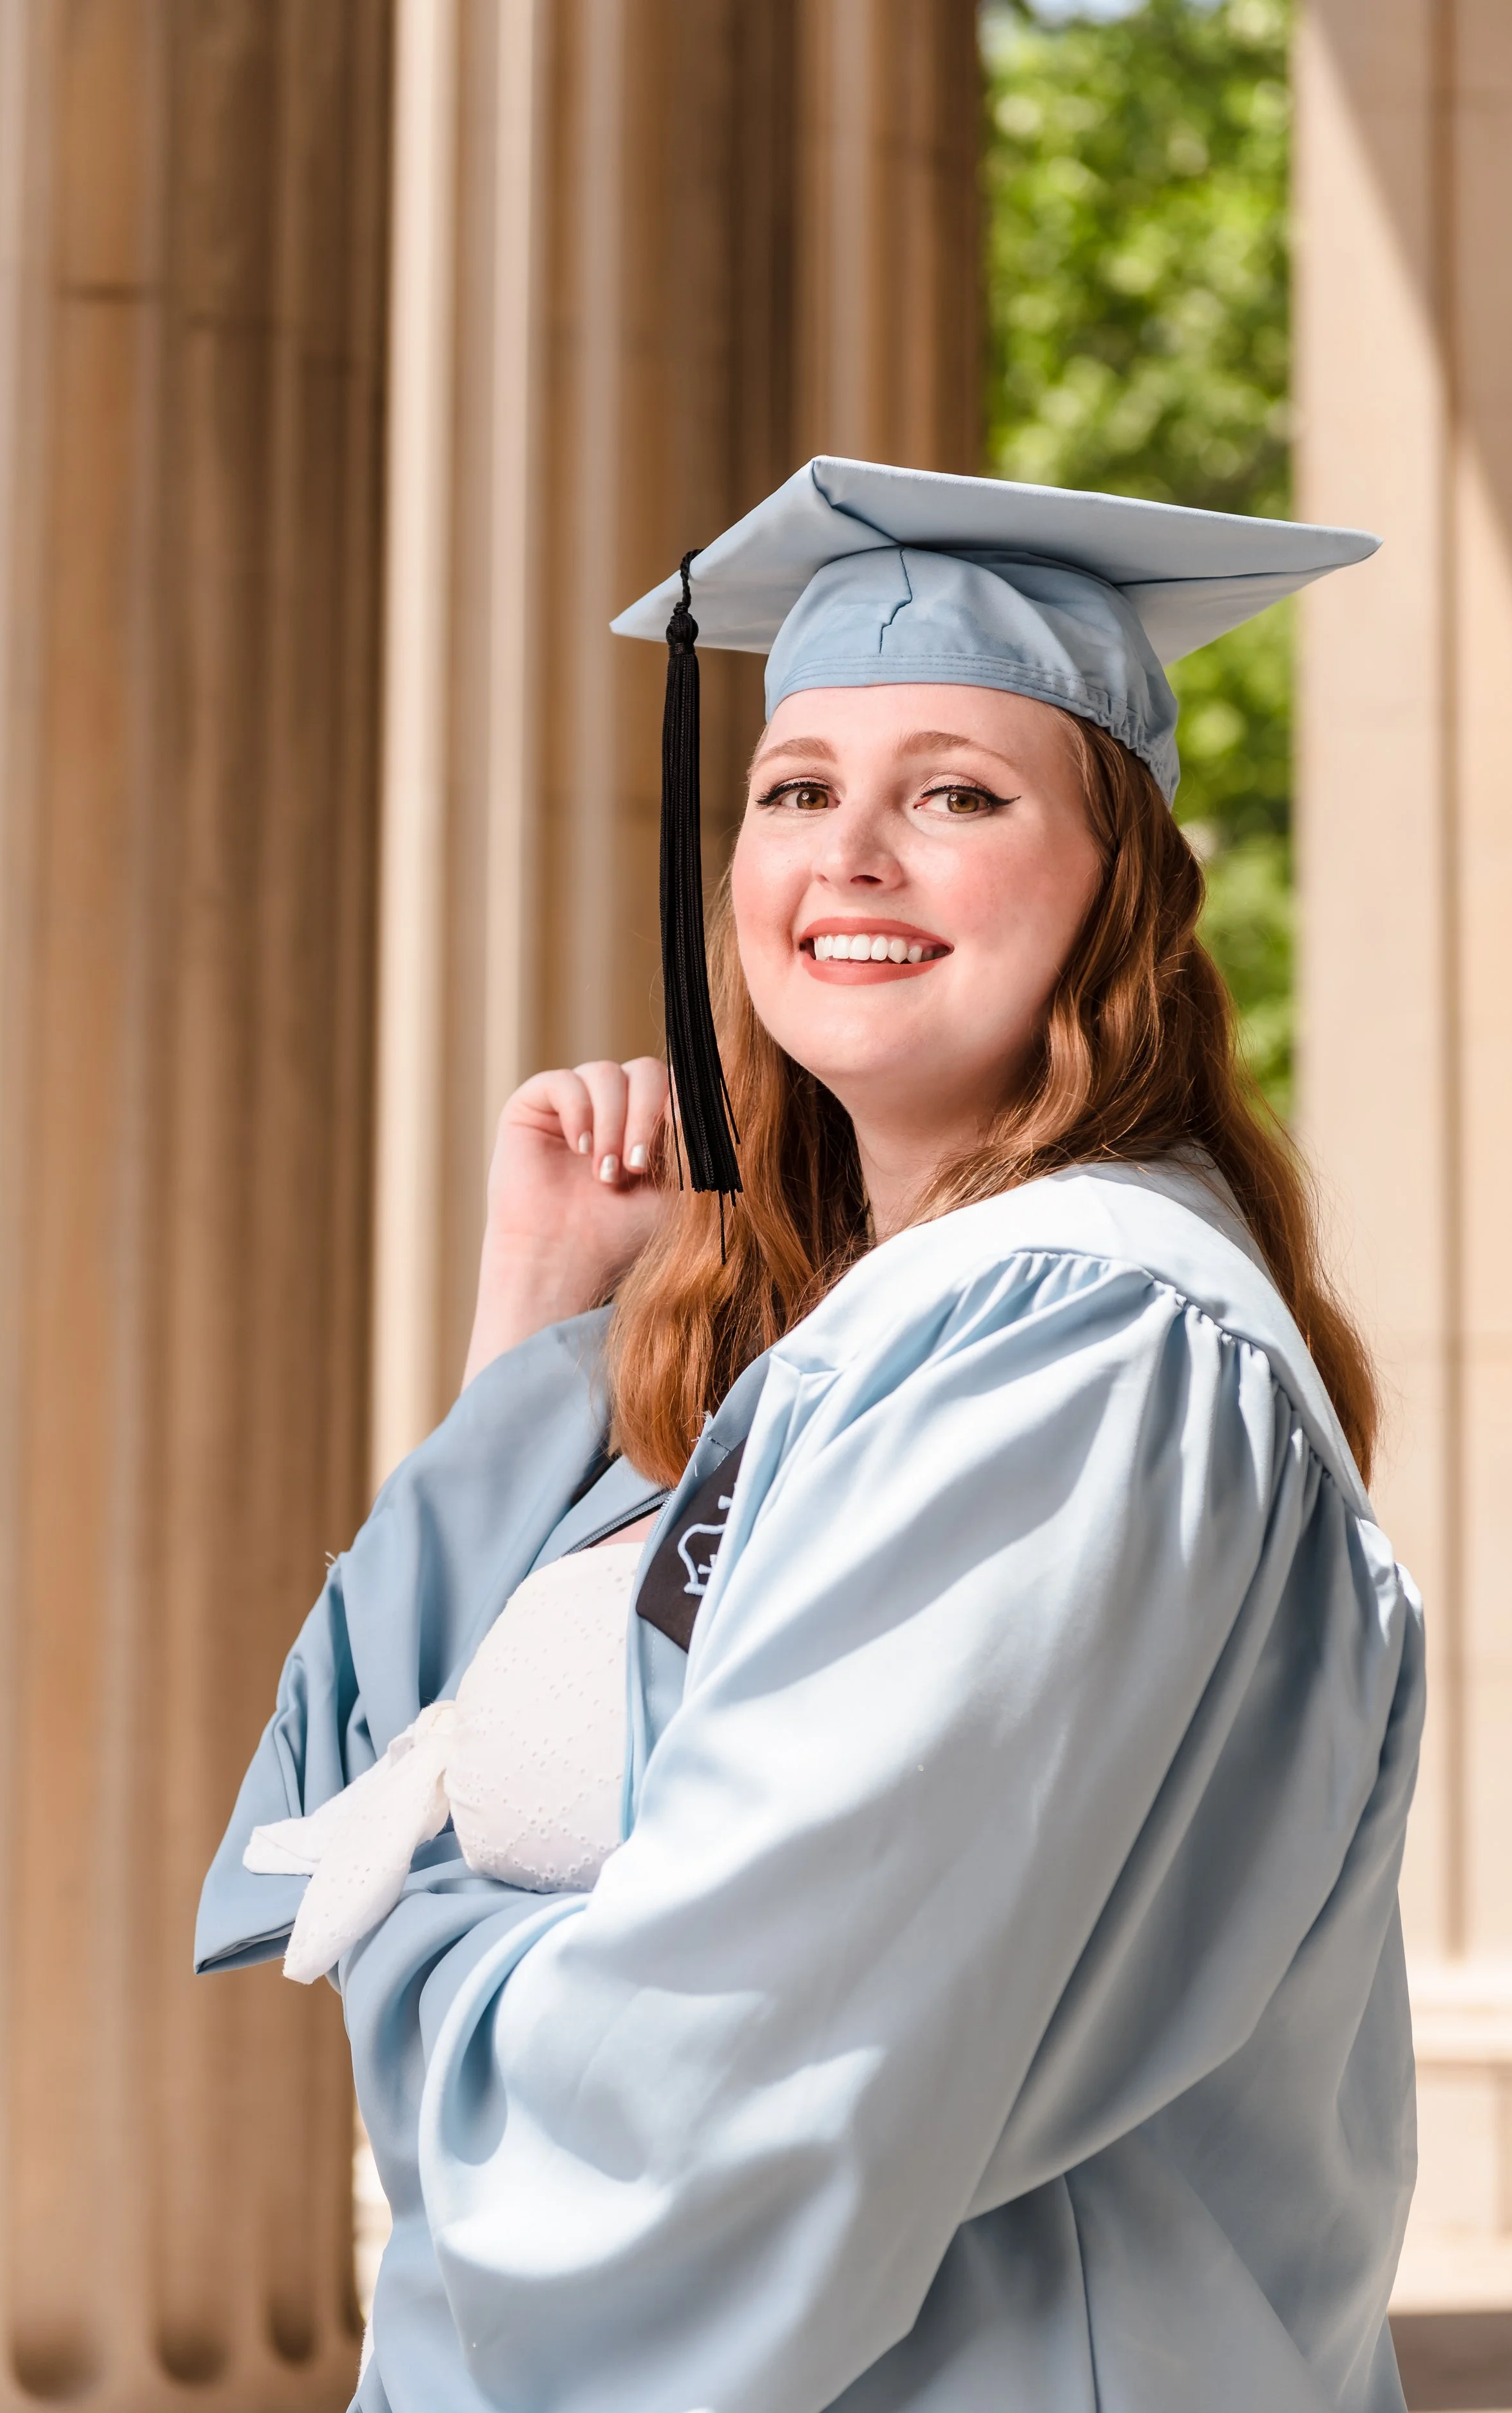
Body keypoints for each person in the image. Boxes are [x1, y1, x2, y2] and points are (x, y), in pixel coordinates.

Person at [198, 459, 1422, 2413]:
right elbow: (405, 1751)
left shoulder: (1078, 1338)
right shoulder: (864, 1332)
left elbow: (712, 2082)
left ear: (1122, 884)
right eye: (794, 790)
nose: (851, 852)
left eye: (956, 793)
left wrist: (413, 1959)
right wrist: (550, 1315)